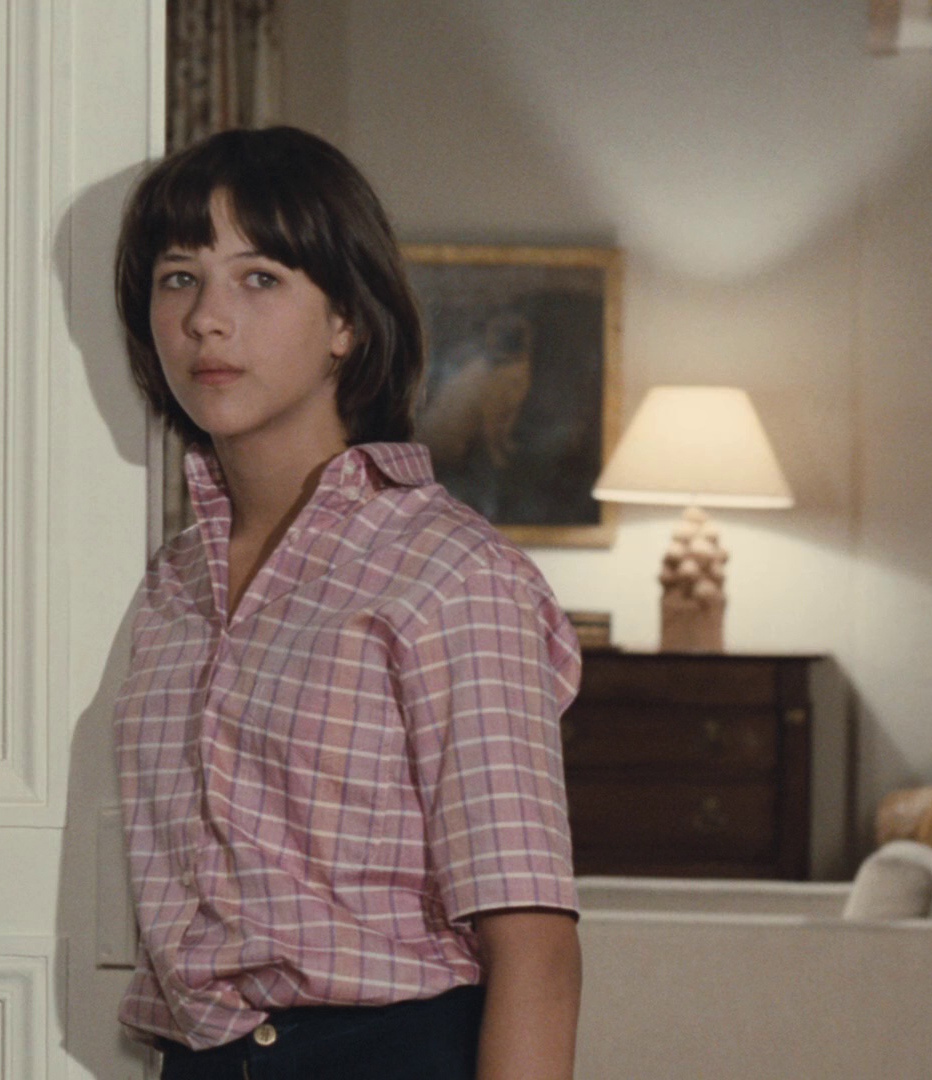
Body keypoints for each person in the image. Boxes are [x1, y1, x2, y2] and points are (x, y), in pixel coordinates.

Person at [111, 125, 582, 1080]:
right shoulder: (170, 585)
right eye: (178, 278)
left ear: (346, 323)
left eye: (260, 278)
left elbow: (535, 951)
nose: (206, 319)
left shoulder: (450, 574)